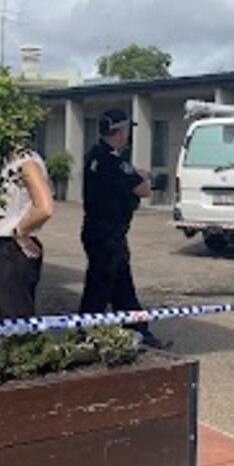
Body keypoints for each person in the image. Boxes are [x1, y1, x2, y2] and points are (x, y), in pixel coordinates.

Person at [79, 108, 168, 349]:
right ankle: (86, 335)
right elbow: (144, 190)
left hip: (98, 230)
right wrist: (144, 178)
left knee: (119, 285)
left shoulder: (95, 155)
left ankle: (137, 330)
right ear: (118, 132)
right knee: (101, 286)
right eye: (127, 130)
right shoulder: (114, 161)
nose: (128, 136)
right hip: (108, 233)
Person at [0, 144, 54, 319]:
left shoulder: (25, 162)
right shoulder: (8, 160)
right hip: (4, 245)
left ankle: (24, 346)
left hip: (11, 246)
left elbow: (45, 208)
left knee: (14, 316)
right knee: (10, 315)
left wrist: (20, 231)